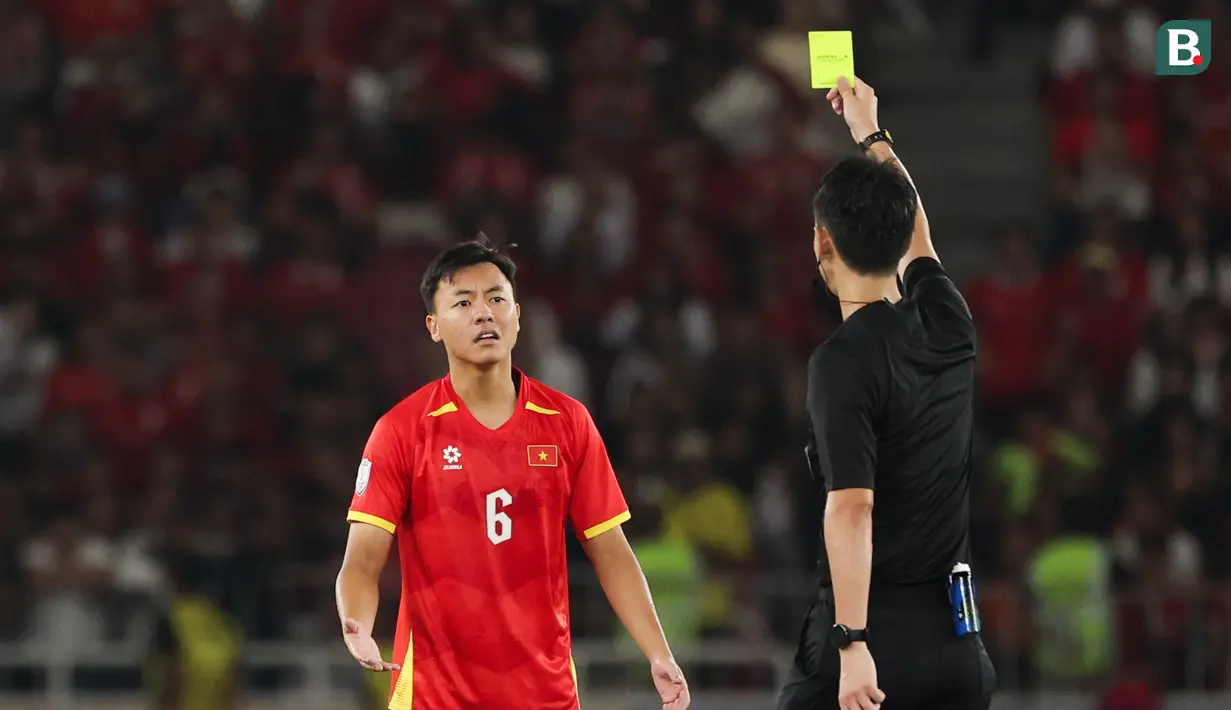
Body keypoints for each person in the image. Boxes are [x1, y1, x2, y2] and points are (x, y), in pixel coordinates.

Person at [335, 237, 690, 710]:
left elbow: (612, 552)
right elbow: (362, 559)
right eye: (464, 302)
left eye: (496, 298)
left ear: (517, 317)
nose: (484, 313)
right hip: (434, 697)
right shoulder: (401, 430)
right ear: (433, 326)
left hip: (546, 695)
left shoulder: (568, 423)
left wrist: (658, 652)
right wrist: (357, 622)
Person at [775, 76, 996, 710]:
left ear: (821, 240)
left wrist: (851, 644)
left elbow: (852, 508)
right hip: (960, 653)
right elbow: (918, 234)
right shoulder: (950, 322)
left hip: (875, 649)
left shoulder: (841, 362)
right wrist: (871, 134)